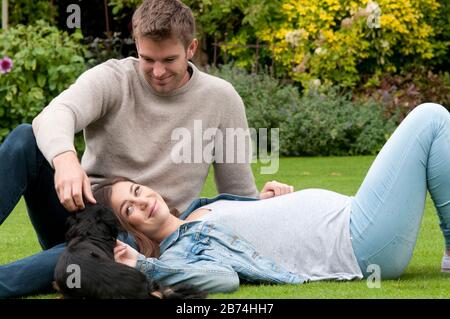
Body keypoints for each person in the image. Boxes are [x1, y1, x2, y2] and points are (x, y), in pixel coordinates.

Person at [0, 0, 261, 298]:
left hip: (139, 235)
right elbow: (54, 114)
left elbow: (238, 194)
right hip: (80, 211)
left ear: (191, 48)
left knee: (128, 242)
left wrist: (268, 206)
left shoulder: (221, 99)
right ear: (136, 44)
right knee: (24, 138)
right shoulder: (112, 78)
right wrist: (65, 159)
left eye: (169, 60)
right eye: (148, 59)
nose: (158, 71)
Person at [93, 103, 450, 293]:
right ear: (132, 231)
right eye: (130, 210)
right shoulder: (178, 251)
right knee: (430, 119)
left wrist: (269, 204)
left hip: (354, 218)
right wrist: (144, 266)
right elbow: (223, 279)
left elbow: (256, 234)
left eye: (137, 191)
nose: (142, 202)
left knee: (432, 124)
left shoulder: (200, 212)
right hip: (359, 243)